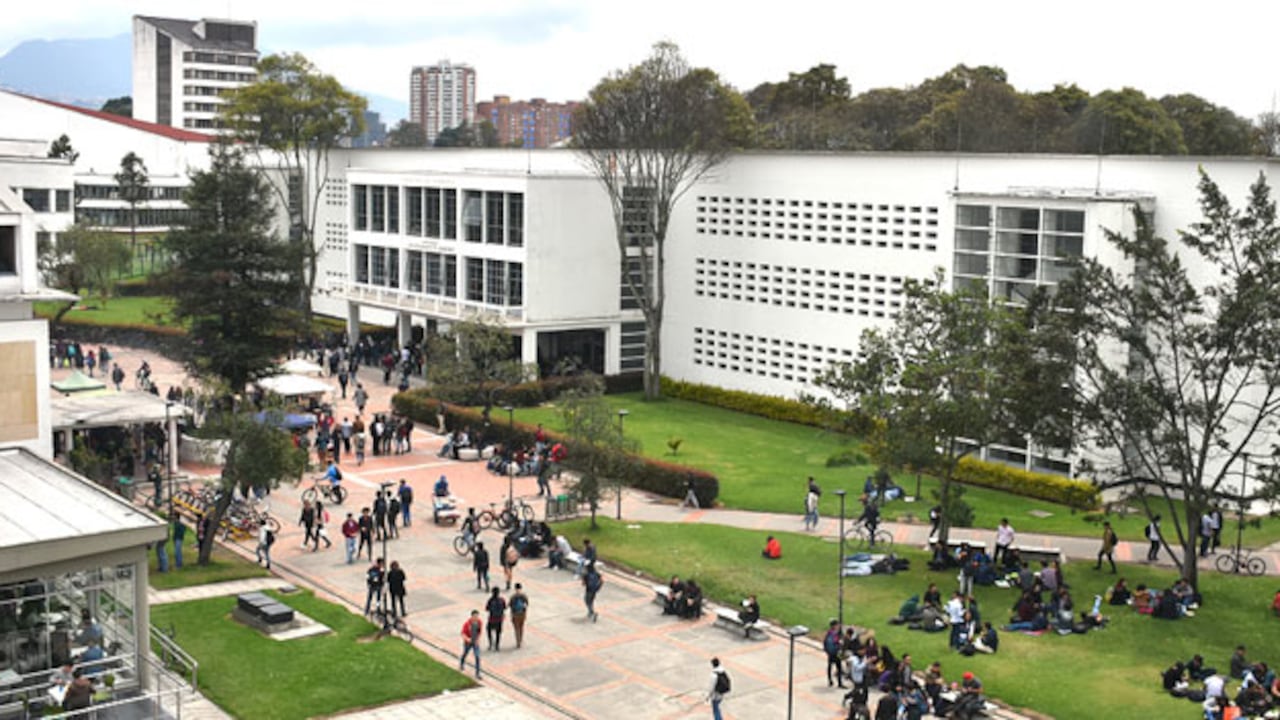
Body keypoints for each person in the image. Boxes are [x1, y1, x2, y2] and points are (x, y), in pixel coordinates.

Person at [459, 610, 483, 679]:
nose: (476, 618)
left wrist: (478, 639)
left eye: (477, 616)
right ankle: (461, 664)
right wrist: (467, 639)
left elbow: (479, 632)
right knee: (465, 653)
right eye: (475, 616)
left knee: (477, 656)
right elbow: (462, 633)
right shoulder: (467, 624)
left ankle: (477, 673)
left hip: (475, 642)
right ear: (472, 616)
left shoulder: (479, 622)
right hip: (468, 643)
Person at [824, 620, 845, 687]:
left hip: (830, 653)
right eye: (837, 625)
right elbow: (838, 642)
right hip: (836, 653)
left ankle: (830, 680)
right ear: (834, 626)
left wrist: (827, 651)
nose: (838, 626)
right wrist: (840, 643)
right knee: (838, 667)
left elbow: (825, 642)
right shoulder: (835, 634)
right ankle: (839, 683)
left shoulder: (829, 633)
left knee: (830, 666)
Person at [510, 583, 529, 648]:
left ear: (515, 589)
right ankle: (520, 640)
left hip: (515, 614)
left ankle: (518, 642)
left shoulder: (513, 596)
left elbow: (510, 605)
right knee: (521, 628)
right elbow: (527, 604)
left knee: (516, 629)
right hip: (522, 614)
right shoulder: (524, 596)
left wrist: (511, 615)